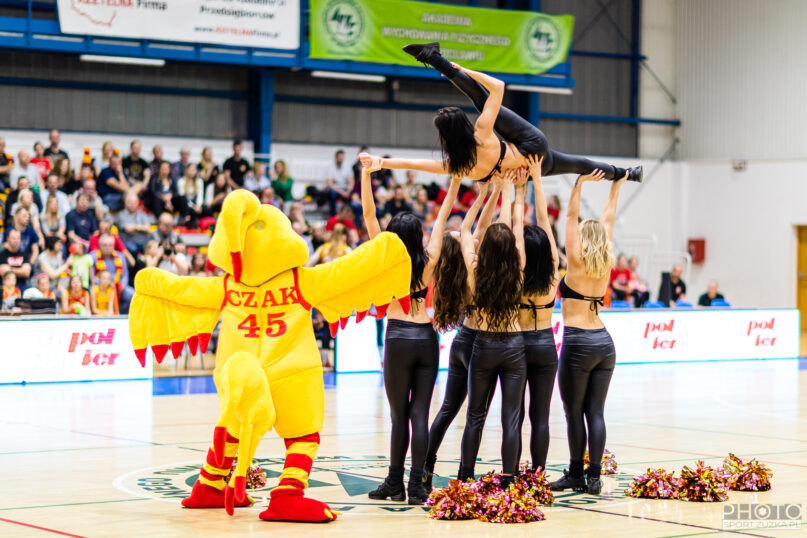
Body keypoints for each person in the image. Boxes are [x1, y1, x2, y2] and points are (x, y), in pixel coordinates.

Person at [362, 44, 642, 183]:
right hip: (532, 145)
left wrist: (379, 162)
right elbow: (498, 87)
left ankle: (628, 174)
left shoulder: (457, 167)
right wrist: (463, 69)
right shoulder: (481, 135)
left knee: (581, 165)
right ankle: (438, 59)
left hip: (532, 170)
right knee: (482, 99)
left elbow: (413, 163)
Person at [362, 158, 461, 505]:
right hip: (427, 338)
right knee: (420, 413)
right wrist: (455, 181)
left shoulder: (386, 257)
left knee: (398, 416)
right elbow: (443, 217)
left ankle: (394, 482)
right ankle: (417, 486)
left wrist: (366, 175)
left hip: (398, 337)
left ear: (392, 235)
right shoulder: (428, 258)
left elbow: (369, 215)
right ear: (418, 236)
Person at [551, 169, 627, 496]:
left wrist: (578, 184)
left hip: (578, 342)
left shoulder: (577, 261)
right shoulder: (606, 260)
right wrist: (616, 186)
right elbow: (608, 218)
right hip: (604, 344)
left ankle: (575, 474)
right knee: (595, 412)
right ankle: (594, 477)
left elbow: (570, 217)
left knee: (573, 414)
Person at [423, 177, 502, 491]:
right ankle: (465, 474)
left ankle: (425, 465)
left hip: (460, 342)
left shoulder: (450, 269)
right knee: (475, 416)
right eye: (457, 234)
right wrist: (488, 194)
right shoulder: (472, 268)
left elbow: (475, 228)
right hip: (478, 344)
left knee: (447, 409)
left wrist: (490, 194)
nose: (459, 231)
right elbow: (475, 228)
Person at [455, 168, 527, 489]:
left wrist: (489, 192)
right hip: (513, 346)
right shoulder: (519, 266)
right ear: (511, 247)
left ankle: (465, 475)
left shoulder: (474, 266)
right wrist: (511, 189)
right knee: (510, 418)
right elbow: (515, 226)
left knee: (475, 416)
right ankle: (509, 480)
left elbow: (465, 229)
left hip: (484, 345)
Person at [515, 155, 561, 473]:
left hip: (518, 344)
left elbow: (517, 229)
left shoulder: (518, 269)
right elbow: (544, 221)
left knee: (515, 415)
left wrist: (519, 190)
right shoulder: (553, 268)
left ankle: (514, 472)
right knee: (540, 417)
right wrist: (538, 180)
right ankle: (539, 473)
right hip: (545, 344)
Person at [91, 234, 134, 313]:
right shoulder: (93, 256)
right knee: (91, 290)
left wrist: (122, 285)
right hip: (100, 287)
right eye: (105, 245)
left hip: (118, 286)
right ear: (99, 246)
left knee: (132, 294)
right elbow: (91, 276)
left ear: (114, 246)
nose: (107, 247)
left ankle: (122, 314)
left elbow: (125, 274)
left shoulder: (120, 256)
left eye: (110, 245)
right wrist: (105, 284)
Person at [325, 149, 355, 216]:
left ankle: (348, 215)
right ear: (336, 158)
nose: (341, 159)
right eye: (339, 157)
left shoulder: (347, 167)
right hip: (336, 189)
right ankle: (333, 215)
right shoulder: (331, 167)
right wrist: (342, 192)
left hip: (345, 189)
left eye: (342, 157)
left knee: (353, 194)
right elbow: (330, 184)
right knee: (332, 194)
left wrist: (348, 191)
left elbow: (351, 181)